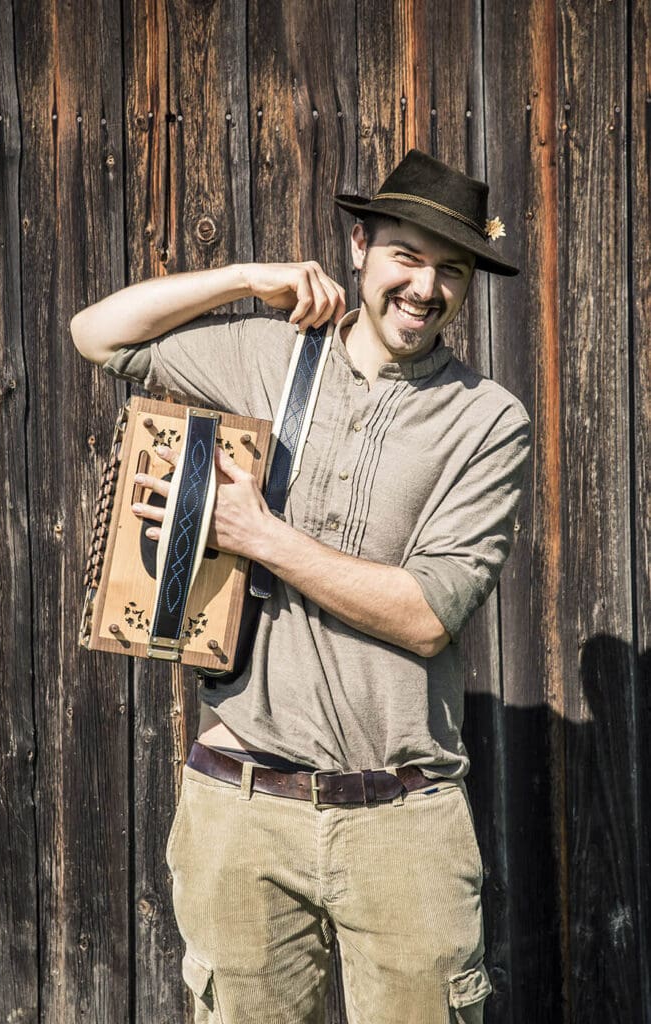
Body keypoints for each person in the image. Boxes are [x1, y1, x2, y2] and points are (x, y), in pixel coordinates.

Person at [71, 150, 530, 1024]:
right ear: (360, 245)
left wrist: (263, 538)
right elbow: (100, 334)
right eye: (407, 254)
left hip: (403, 821)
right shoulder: (269, 356)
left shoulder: (487, 420)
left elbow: (427, 615)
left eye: (452, 270)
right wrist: (249, 277)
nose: (425, 287)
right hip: (239, 809)